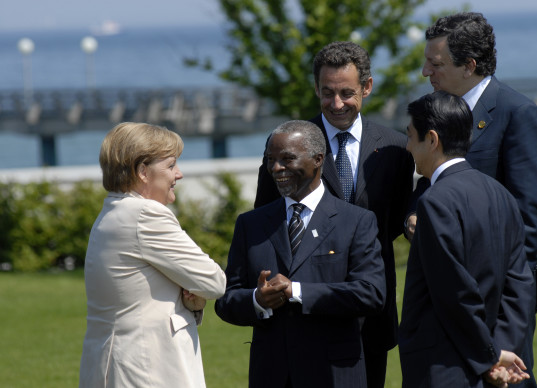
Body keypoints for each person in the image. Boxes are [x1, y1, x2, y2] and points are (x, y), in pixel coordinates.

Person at [254, 41, 414, 388]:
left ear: (367, 88)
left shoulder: (395, 149)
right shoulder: (287, 146)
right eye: (327, 93)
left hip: (370, 311)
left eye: (347, 92)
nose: (337, 103)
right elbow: (266, 219)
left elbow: (398, 219)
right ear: (316, 89)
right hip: (301, 313)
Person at [405, 12, 537, 386]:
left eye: (435, 63)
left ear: (469, 65)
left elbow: (530, 222)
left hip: (500, 303)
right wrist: (413, 217)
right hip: (442, 304)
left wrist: (501, 333)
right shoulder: (436, 111)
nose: (425, 72)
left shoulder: (518, 114)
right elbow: (431, 182)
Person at [215, 120, 387, 387]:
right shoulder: (251, 224)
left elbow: (371, 293)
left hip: (334, 374)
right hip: (272, 374)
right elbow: (226, 300)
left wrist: (296, 292)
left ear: (318, 159)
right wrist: (257, 300)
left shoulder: (356, 221)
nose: (276, 168)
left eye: (287, 159)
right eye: (270, 159)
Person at [399, 91, 535, 388]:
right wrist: (502, 349)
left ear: (432, 139)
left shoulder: (434, 201)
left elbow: (454, 291)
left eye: (410, 136)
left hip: (445, 365)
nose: (407, 147)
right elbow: (521, 283)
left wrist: (490, 356)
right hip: (491, 360)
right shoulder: (501, 194)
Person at [79, 122, 226, 388]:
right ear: (143, 172)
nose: (178, 174)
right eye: (171, 165)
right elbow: (214, 282)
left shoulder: (111, 213)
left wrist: (192, 298)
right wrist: (194, 291)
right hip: (146, 369)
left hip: (113, 364)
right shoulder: (146, 215)